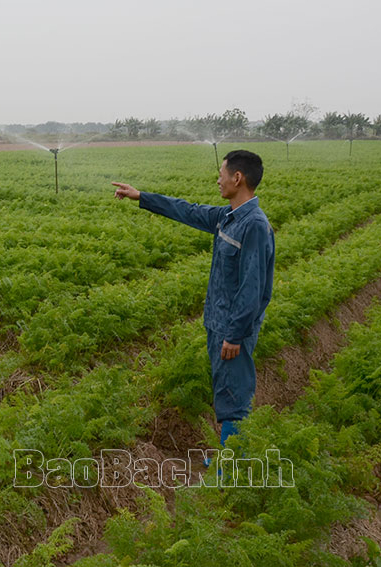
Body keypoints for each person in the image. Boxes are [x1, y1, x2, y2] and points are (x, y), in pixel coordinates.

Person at [112, 150, 274, 453]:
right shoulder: (228, 217)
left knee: (233, 395)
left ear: (237, 178)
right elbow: (187, 210)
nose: (218, 179)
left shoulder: (253, 225)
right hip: (219, 323)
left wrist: (235, 334)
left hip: (231, 330)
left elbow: (253, 287)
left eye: (221, 173)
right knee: (224, 388)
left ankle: (232, 466)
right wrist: (141, 196)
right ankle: (230, 456)